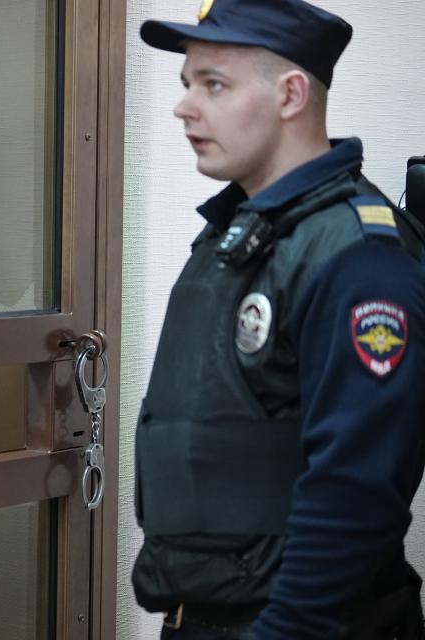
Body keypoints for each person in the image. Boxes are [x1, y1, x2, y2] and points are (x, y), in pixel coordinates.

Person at [132, 1, 425, 638]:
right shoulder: (242, 233)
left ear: (292, 94)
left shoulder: (358, 255)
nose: (185, 106)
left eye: (214, 85)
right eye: (188, 84)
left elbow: (356, 487)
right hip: (212, 615)